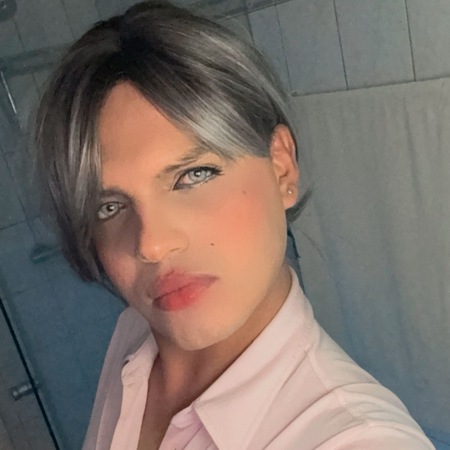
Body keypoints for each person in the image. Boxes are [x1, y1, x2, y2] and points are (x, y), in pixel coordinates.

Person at [34, 2, 435, 449]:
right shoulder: (134, 338)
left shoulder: (358, 439)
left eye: (193, 175)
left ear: (281, 167)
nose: (152, 244)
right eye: (109, 207)